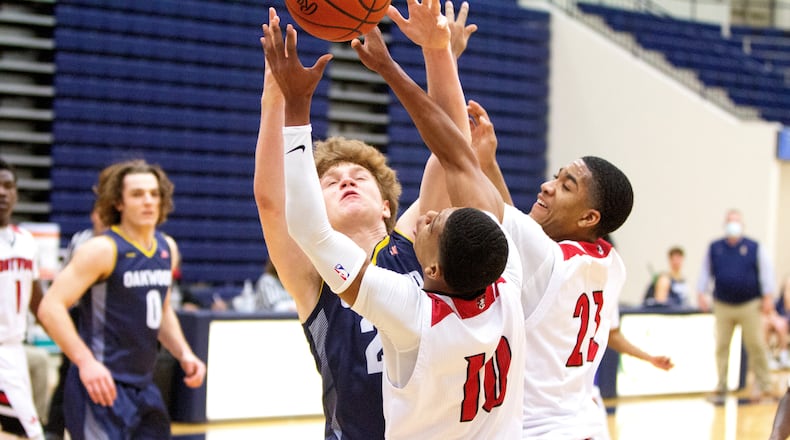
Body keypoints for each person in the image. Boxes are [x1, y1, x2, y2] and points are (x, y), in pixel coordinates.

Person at [347, 15, 635, 438]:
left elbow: (455, 161)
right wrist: (491, 166)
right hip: (587, 426)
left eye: (566, 186)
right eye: (555, 176)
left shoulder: (544, 260)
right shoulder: (610, 265)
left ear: (590, 218)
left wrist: (394, 66)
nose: (547, 185)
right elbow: (517, 230)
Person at [263, 8, 526, 438]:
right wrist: (273, 96)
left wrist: (293, 104)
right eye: (330, 182)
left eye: (358, 177)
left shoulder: (415, 259)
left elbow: (452, 150)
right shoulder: (314, 277)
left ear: (388, 205)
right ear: (312, 204)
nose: (346, 180)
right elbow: (274, 204)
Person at [36, 159, 206, 439]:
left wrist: (184, 353)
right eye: (137, 194)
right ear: (118, 202)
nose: (148, 201)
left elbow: (162, 310)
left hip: (144, 386)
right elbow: (50, 307)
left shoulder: (167, 248)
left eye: (154, 194)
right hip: (102, 386)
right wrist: (86, 362)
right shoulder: (102, 249)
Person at [697, 209, 775, 403]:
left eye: (736, 221)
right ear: (725, 225)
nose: (733, 225)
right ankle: (721, 387)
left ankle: (765, 388)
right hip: (723, 304)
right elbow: (705, 272)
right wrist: (701, 292)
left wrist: (768, 297)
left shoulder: (754, 247)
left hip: (749, 304)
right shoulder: (715, 247)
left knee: (756, 345)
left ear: (742, 225)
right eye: (730, 221)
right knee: (721, 346)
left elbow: (766, 273)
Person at [44, 206, 106, 440]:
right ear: (93, 215)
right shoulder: (83, 241)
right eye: (98, 213)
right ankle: (54, 428)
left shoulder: (122, 241)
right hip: (81, 313)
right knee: (69, 372)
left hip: (110, 319)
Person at [0, 158, 46, 439]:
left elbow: (39, 302)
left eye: (8, 186)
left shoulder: (27, 241)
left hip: (12, 350)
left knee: (26, 431)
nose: (3, 192)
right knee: (31, 432)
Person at [765, 276, 790, 370]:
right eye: (787, 288)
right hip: (778, 326)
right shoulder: (779, 302)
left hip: (784, 327)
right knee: (766, 323)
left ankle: (784, 357)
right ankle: (767, 357)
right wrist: (774, 319)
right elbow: (770, 312)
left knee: (782, 325)